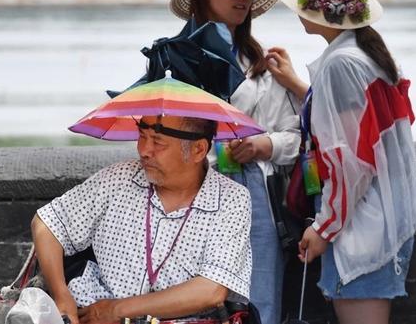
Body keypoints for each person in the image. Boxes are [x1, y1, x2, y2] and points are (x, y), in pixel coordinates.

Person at [266, 0, 416, 324]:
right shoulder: (362, 55)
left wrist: (323, 228)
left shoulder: (341, 64)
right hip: (378, 220)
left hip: (361, 228)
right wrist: (299, 87)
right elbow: (354, 128)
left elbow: (352, 163)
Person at [168, 0, 300, 324]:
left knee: (260, 303)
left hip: (256, 196)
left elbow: (295, 136)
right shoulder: (174, 62)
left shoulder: (263, 64)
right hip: (192, 196)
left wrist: (265, 145)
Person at [31, 115, 252, 324]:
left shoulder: (231, 199)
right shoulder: (119, 178)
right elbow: (47, 224)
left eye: (158, 142)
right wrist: (61, 296)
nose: (144, 150)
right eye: (142, 135)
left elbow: (210, 290)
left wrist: (117, 310)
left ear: (198, 149)